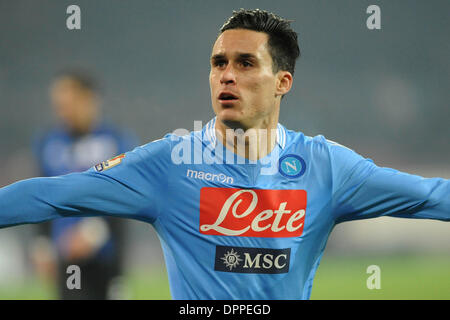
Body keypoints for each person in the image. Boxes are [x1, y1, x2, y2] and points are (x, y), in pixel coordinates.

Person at [0, 9, 448, 300]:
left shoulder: (327, 167)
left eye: (245, 64)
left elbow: (430, 196)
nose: (226, 76)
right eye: (219, 64)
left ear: (282, 82)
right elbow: (54, 195)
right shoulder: (168, 165)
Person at [30, 70, 138, 299]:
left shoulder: (115, 141)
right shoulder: (48, 143)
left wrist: (94, 231)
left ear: (90, 99)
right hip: (66, 258)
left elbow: (125, 201)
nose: (63, 112)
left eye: (68, 104)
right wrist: (42, 244)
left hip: (104, 259)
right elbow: (39, 194)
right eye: (58, 106)